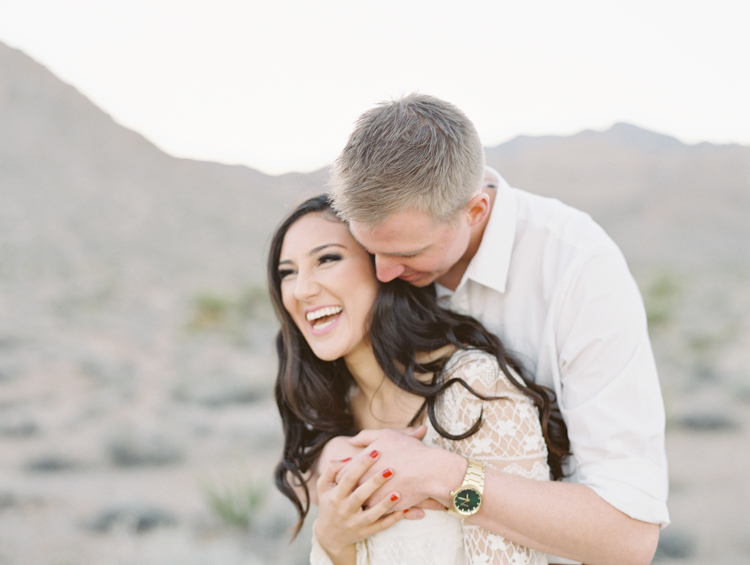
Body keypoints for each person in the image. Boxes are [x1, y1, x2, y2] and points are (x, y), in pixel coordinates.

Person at [322, 93, 669, 565]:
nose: (381, 273)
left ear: (476, 210)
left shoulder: (578, 270)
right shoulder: (370, 263)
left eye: (407, 254)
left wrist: (446, 478)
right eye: (370, 249)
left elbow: (628, 538)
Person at [270, 195, 571, 565]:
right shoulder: (334, 414)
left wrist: (446, 483)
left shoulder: (474, 389)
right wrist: (333, 542)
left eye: (327, 259)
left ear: (384, 266)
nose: (302, 290)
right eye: (288, 272)